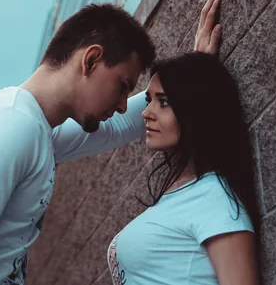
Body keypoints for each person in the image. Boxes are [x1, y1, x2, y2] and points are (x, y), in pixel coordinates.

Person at [0, 0, 222, 285]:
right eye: (122, 86)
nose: (122, 105)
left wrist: (190, 80)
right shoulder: (8, 125)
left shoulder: (37, 130)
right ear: (91, 60)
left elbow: (119, 127)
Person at [106, 51, 262, 284]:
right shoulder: (183, 193)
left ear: (196, 110)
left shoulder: (213, 198)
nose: (146, 113)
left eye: (164, 102)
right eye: (149, 101)